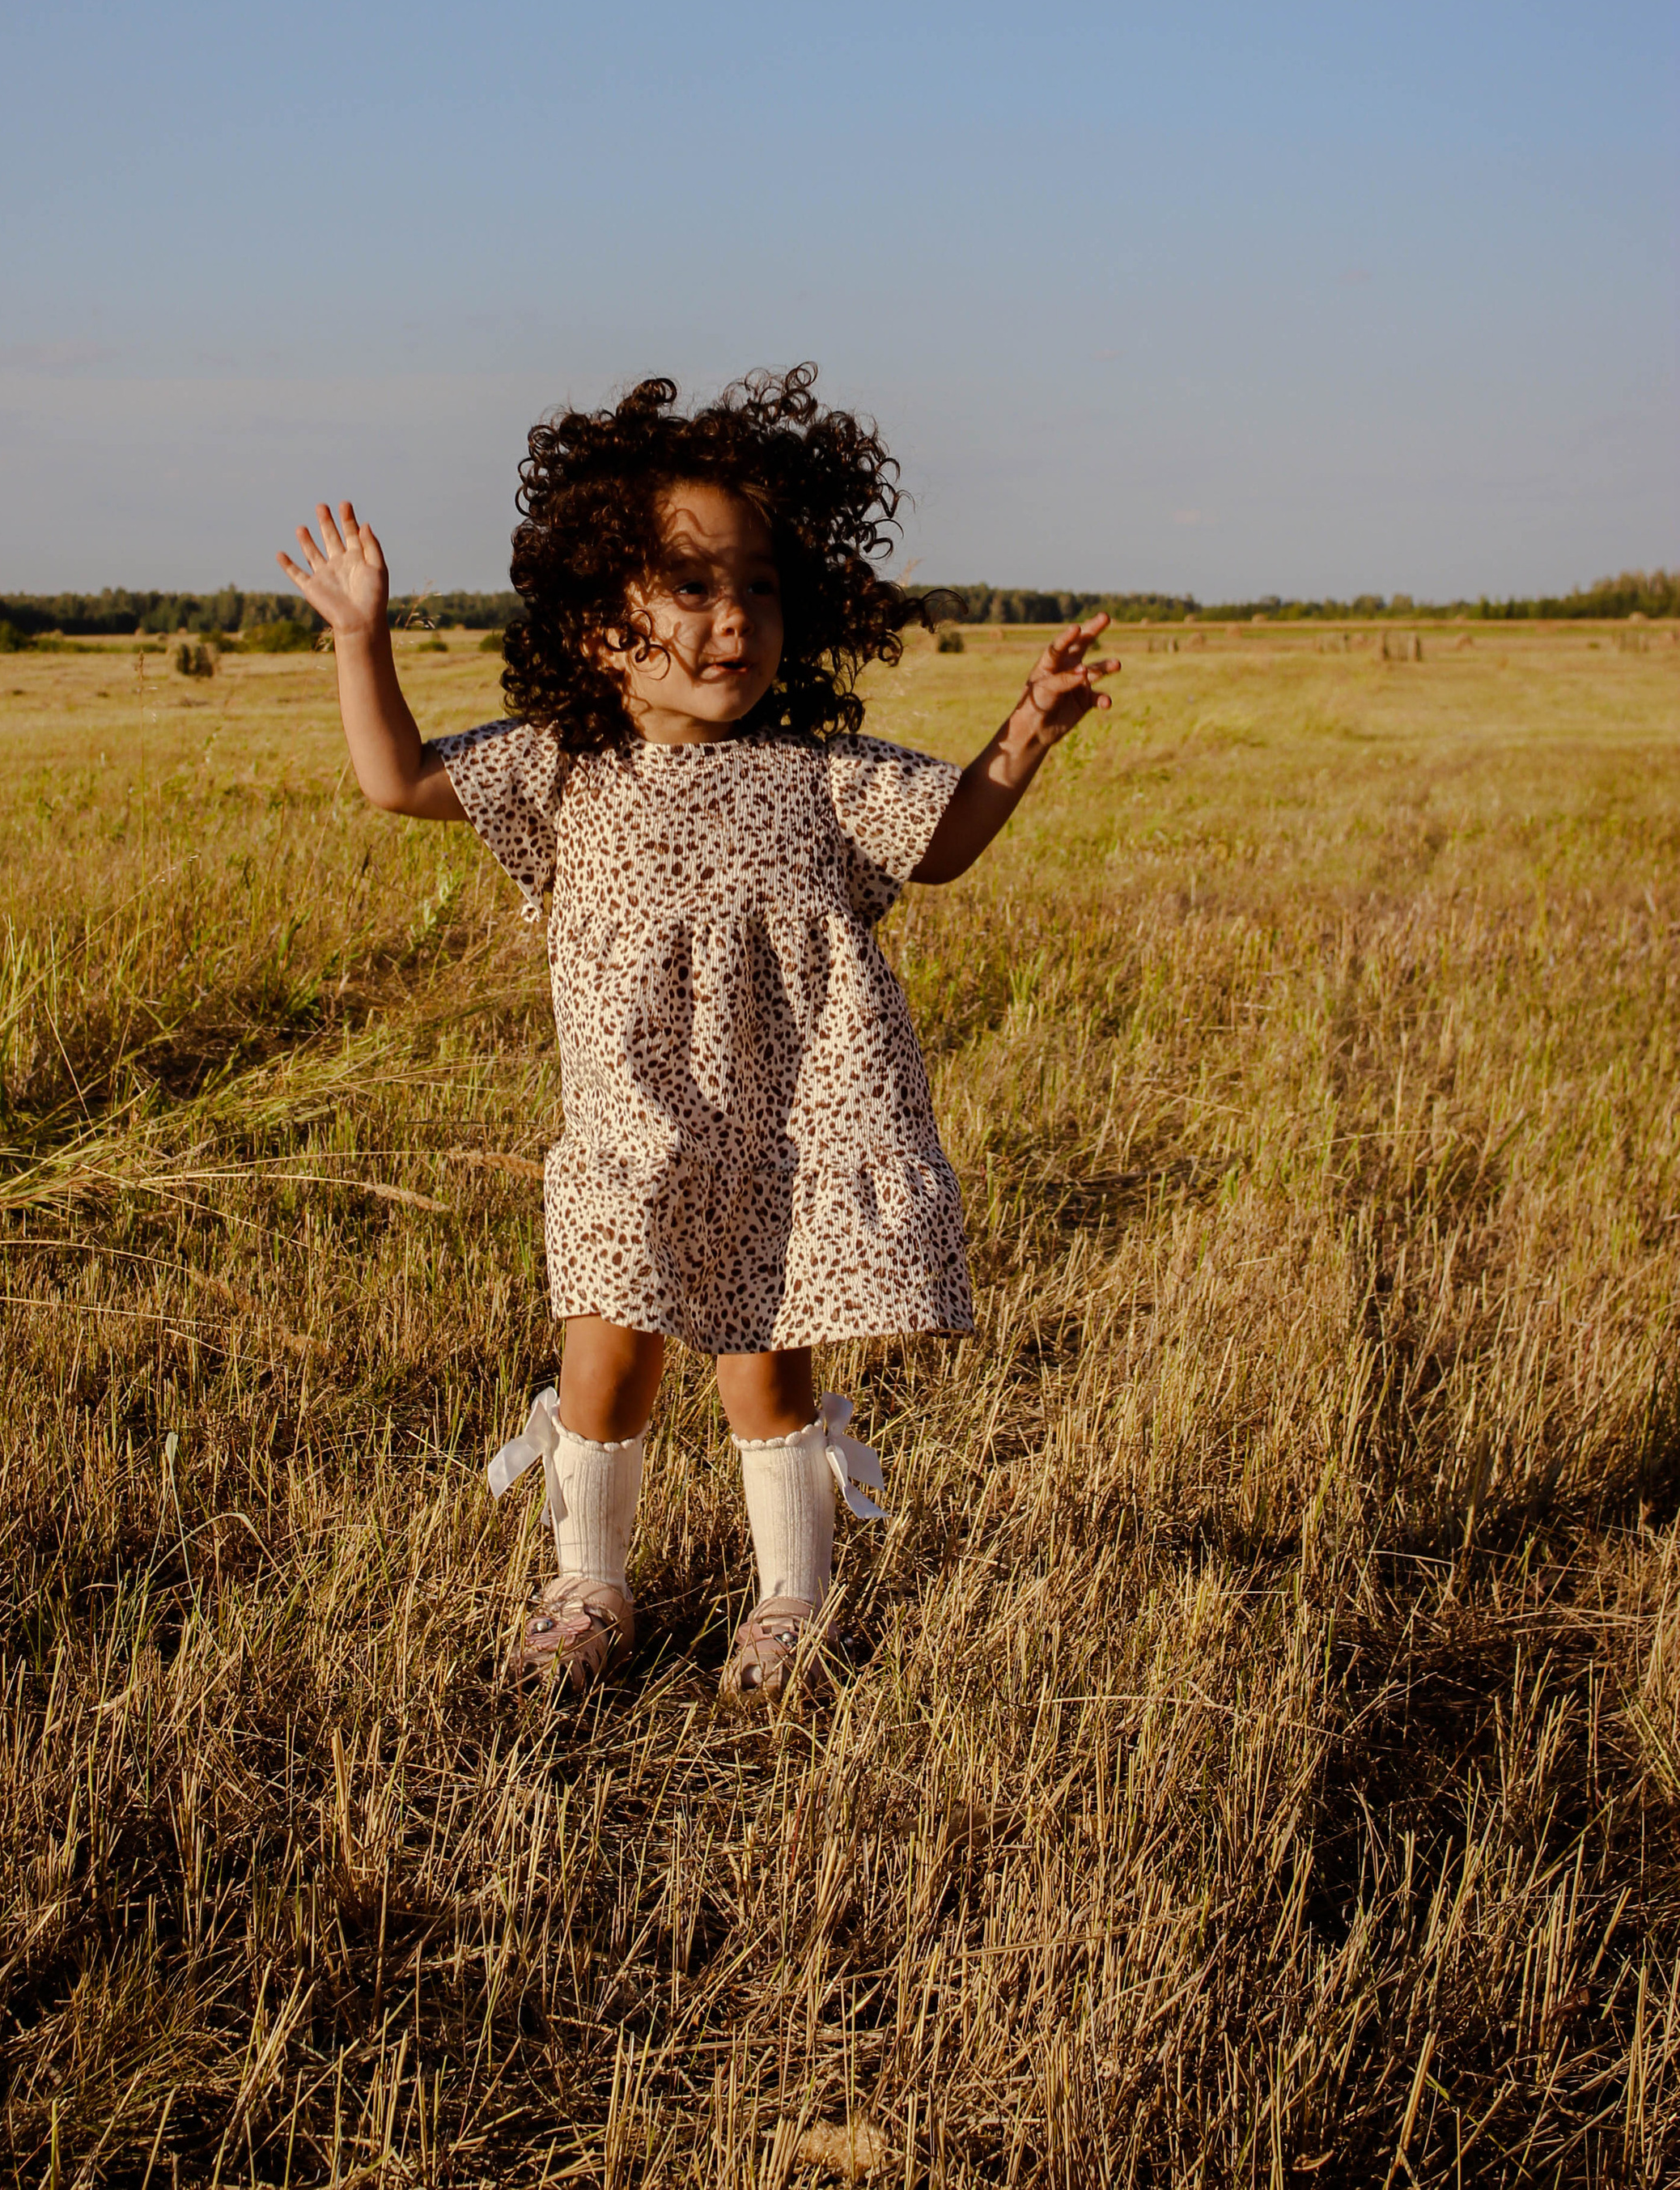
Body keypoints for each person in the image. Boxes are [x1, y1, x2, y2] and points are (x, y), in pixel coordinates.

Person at [279, 368, 1115, 1701]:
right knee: (602, 1363)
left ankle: (791, 1599)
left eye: (763, 588)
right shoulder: (567, 764)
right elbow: (394, 779)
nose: (737, 621)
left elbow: (948, 838)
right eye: (692, 587)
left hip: (784, 1142)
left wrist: (1026, 733)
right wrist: (358, 638)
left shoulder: (818, 775)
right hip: (630, 1134)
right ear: (604, 623)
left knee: (763, 1383)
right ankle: (588, 1586)